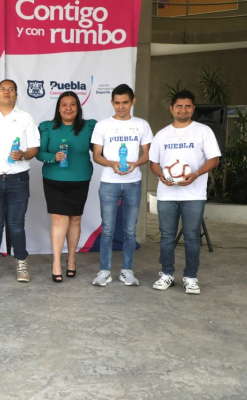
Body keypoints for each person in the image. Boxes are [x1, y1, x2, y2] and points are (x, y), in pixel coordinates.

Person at [149, 90, 221, 294]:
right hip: (167, 195)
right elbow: (154, 162)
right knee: (166, 237)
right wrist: (160, 175)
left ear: (193, 108)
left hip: (194, 195)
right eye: (179, 106)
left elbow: (214, 159)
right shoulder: (162, 134)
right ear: (171, 109)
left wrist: (196, 174)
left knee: (191, 237)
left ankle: (191, 277)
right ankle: (167, 274)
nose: (183, 110)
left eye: (187, 106)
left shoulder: (203, 131)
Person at [0, 79, 40, 283]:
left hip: (18, 180)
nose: (7, 92)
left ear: (16, 95)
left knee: (16, 225)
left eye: (11, 89)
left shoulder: (25, 117)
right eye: (3, 89)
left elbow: (34, 148)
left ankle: (21, 263)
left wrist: (23, 155)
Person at [90, 84, 153, 287]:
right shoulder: (102, 125)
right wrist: (112, 164)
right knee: (107, 230)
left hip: (133, 182)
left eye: (125, 102)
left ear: (133, 101)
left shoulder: (141, 125)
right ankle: (104, 271)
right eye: (117, 103)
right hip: (109, 182)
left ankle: (127, 271)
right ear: (112, 102)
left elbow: (147, 154)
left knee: (129, 231)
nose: (121, 106)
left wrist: (135, 164)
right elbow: (96, 155)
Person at [36, 91, 96, 282]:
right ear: (58, 108)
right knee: (58, 219)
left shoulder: (89, 127)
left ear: (78, 107)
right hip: (54, 180)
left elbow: (100, 149)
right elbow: (39, 153)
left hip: (80, 179)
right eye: (64, 104)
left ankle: (71, 260)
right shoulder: (47, 127)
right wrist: (53, 157)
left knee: (75, 219)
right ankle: (56, 263)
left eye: (72, 104)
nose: (68, 108)